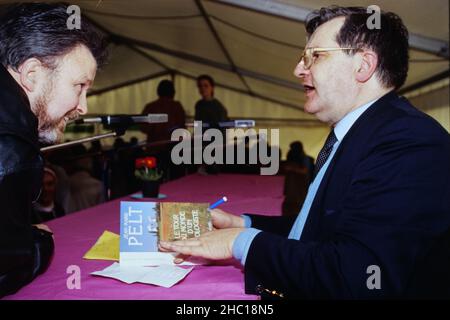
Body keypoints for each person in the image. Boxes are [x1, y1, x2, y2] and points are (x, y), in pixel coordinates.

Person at [160, 6, 450, 299]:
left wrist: (241, 242)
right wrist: (243, 223)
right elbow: (320, 230)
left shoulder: (409, 142)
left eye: (316, 55)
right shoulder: (365, 131)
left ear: (363, 65)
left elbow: (357, 274)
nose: (298, 69)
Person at [0, 3, 107, 297]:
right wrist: (39, 243)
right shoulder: (11, 146)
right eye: (79, 85)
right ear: (32, 74)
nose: (83, 107)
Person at [140, 79, 186, 180]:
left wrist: (155, 129)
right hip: (174, 150)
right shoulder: (177, 107)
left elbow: (143, 128)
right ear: (173, 92)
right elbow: (182, 129)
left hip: (154, 149)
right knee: (175, 180)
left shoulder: (150, 107)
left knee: (154, 179)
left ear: (158, 91)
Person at [195, 75, 228, 175]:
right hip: (200, 145)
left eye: (206, 86)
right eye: (200, 86)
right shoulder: (198, 105)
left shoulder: (218, 107)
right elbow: (198, 125)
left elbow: (222, 129)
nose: (203, 88)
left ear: (212, 88)